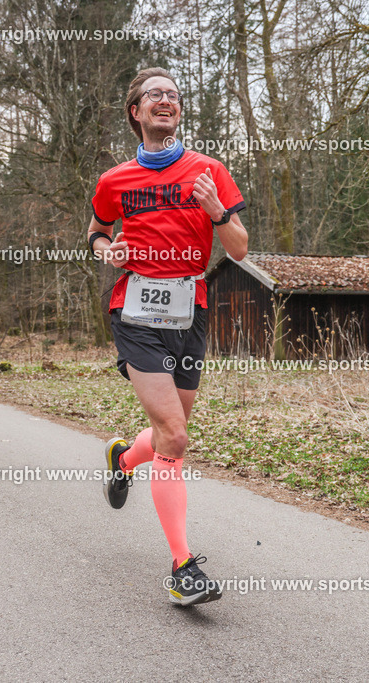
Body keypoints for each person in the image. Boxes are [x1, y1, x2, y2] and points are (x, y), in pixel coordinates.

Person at [89, 67, 248, 607]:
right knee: (175, 438)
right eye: (156, 94)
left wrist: (216, 211)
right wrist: (105, 250)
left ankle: (122, 458)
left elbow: (241, 249)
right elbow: (97, 231)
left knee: (167, 435)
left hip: (189, 313)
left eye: (175, 95)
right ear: (136, 111)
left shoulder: (208, 172)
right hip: (134, 314)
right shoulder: (115, 181)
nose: (167, 100)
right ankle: (182, 567)